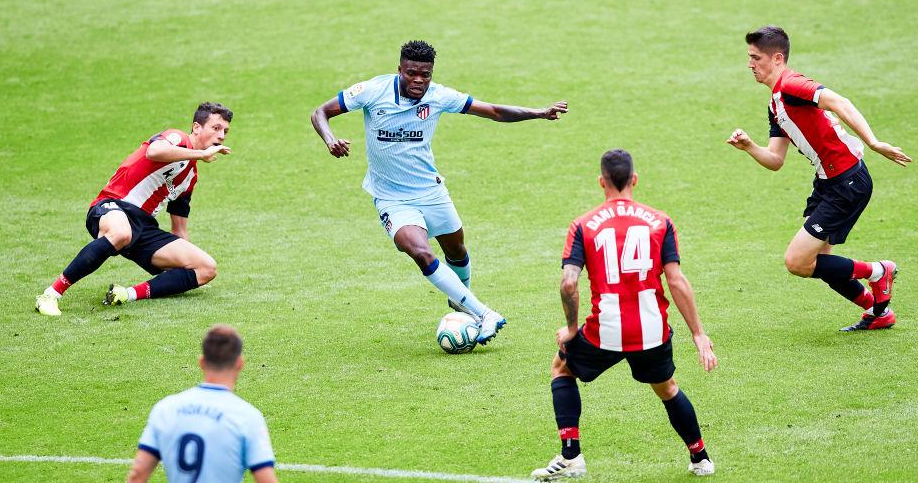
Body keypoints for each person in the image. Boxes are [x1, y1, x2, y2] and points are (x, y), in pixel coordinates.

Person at [310, 40, 567, 344]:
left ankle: (461, 302)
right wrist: (330, 140)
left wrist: (539, 113)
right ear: (399, 69)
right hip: (392, 198)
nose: (418, 80)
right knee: (420, 251)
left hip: (431, 192)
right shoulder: (372, 91)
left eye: (425, 75)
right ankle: (484, 313)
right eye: (411, 73)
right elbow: (320, 112)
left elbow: (494, 111)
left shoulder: (439, 96)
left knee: (456, 251)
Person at [532, 149, 717, 480]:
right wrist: (698, 334)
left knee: (561, 369)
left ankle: (571, 457)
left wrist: (572, 328)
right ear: (634, 180)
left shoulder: (583, 225)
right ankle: (700, 457)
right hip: (651, 330)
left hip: (604, 331)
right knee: (667, 388)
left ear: (601, 182)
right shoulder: (660, 221)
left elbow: (568, 283)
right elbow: (676, 281)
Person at [726, 26, 912, 331]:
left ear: (777, 58)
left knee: (797, 261)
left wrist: (873, 142)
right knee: (820, 262)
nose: (750, 64)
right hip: (828, 182)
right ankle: (878, 312)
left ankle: (879, 271)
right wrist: (749, 147)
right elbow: (775, 160)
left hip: (847, 182)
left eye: (756, 58)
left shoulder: (792, 85)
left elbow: (840, 102)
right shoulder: (775, 103)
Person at [34, 102, 233, 316]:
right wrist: (200, 154)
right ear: (196, 127)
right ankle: (50, 294)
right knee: (121, 233)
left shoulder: (191, 177)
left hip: (143, 228)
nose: (221, 136)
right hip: (112, 206)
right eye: (216, 128)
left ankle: (125, 294)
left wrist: (186, 269)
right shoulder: (178, 138)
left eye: (225, 131)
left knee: (206, 268)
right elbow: (154, 151)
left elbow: (179, 229)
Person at [126, 325, 278, 483]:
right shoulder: (247, 417)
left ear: (201, 362)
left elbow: (137, 474)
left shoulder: (165, 409)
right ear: (240, 363)